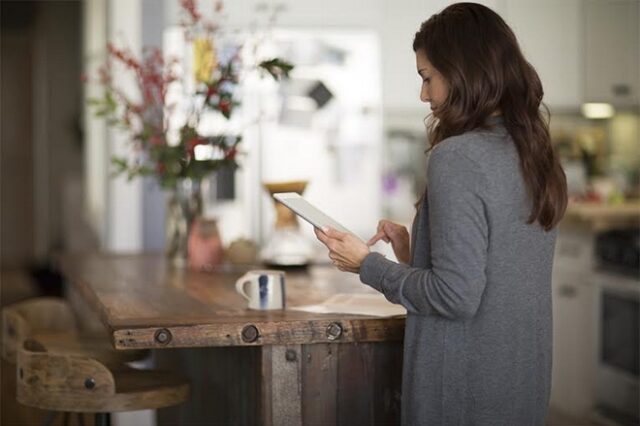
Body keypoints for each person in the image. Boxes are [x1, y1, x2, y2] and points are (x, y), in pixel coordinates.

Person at [314, 3, 568, 425]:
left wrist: (366, 264)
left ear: (464, 69)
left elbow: (455, 297)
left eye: (427, 77)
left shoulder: (458, 157)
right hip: (520, 385)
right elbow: (494, 277)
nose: (424, 94)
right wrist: (415, 253)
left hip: (463, 389)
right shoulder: (534, 152)